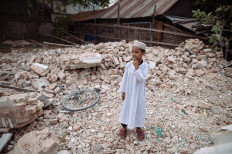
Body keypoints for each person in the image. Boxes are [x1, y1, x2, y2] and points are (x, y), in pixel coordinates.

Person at [118, 40, 149, 141]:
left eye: (137, 52)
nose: (134, 54)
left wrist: (137, 69)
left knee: (138, 110)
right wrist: (123, 91)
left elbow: (142, 79)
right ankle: (123, 127)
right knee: (126, 108)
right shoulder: (128, 65)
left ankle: (139, 128)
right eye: (132, 52)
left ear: (143, 53)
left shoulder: (145, 66)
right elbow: (125, 79)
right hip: (129, 92)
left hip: (139, 94)